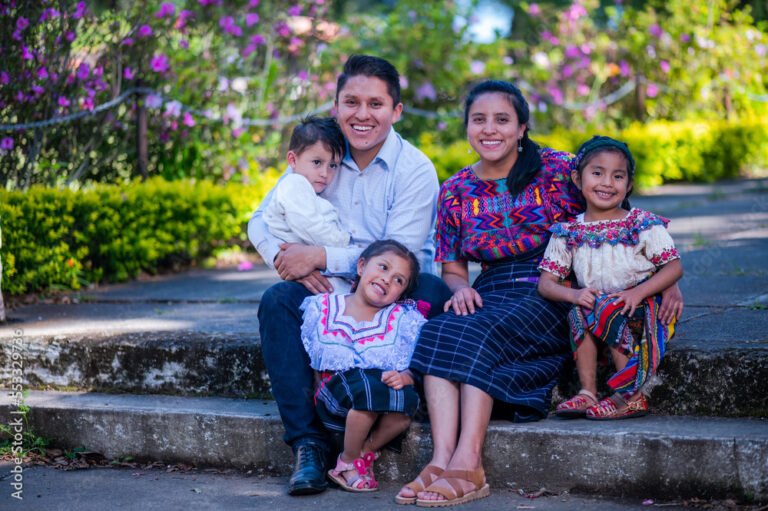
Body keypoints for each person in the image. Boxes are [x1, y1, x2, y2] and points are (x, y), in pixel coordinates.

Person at [397, 81, 684, 507]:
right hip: (491, 289)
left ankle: (469, 462)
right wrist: (458, 291)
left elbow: (618, 206)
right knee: (441, 328)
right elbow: (454, 270)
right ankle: (440, 460)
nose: (489, 129)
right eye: (479, 119)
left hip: (556, 286)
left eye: (502, 120)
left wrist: (666, 277)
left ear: (521, 127)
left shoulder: (557, 168)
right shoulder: (455, 190)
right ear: (467, 127)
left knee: (478, 334)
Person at [248, 55, 451, 496]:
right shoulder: (319, 152)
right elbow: (261, 220)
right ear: (336, 105)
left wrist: (318, 254)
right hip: (330, 288)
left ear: (396, 111)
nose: (362, 114)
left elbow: (400, 257)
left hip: (393, 288)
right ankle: (308, 444)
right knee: (277, 301)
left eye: (375, 104)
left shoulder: (414, 169)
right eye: (351, 102)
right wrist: (287, 261)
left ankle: (395, 393)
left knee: (435, 291)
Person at [537, 136, 683, 420]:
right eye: (597, 173)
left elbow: (673, 267)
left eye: (618, 176)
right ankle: (587, 392)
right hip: (601, 308)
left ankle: (631, 396)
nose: (607, 183)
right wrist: (574, 295)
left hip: (643, 306)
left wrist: (637, 294)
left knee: (606, 307)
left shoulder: (641, 224)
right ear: (577, 179)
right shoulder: (568, 232)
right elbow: (546, 284)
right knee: (580, 311)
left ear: (628, 185)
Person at [301, 240, 426, 492]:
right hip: (335, 397)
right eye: (382, 267)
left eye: (399, 280)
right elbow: (314, 359)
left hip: (378, 393)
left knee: (406, 402)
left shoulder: (400, 319)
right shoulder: (325, 307)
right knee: (366, 393)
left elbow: (414, 361)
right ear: (360, 266)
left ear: (401, 293)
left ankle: (361, 455)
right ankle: (345, 461)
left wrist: (406, 377)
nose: (387, 279)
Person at [263, 115, 352, 293]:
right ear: (293, 160)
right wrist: (343, 244)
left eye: (333, 165)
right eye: (317, 162)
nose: (324, 173)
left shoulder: (308, 190)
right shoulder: (294, 185)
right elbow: (309, 226)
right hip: (314, 272)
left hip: (319, 266)